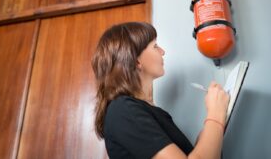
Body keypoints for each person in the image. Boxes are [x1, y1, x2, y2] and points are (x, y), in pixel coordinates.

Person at [91, 22, 230, 159]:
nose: (163, 52)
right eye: (155, 46)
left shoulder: (147, 111)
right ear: (136, 60)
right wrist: (215, 114)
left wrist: (210, 129)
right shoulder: (123, 110)